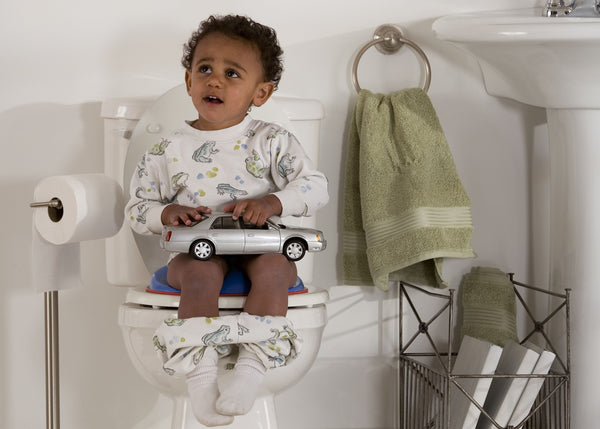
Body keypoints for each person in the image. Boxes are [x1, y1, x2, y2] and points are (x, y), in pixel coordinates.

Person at [125, 14, 329, 426]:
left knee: (276, 269)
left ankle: (251, 369)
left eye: (231, 73)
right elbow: (135, 208)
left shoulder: (272, 141)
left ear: (261, 92)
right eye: (205, 69)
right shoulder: (168, 149)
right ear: (188, 82)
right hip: (201, 250)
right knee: (199, 274)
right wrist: (167, 212)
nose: (214, 80)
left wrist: (273, 202)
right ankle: (200, 381)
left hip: (260, 246)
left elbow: (315, 187)